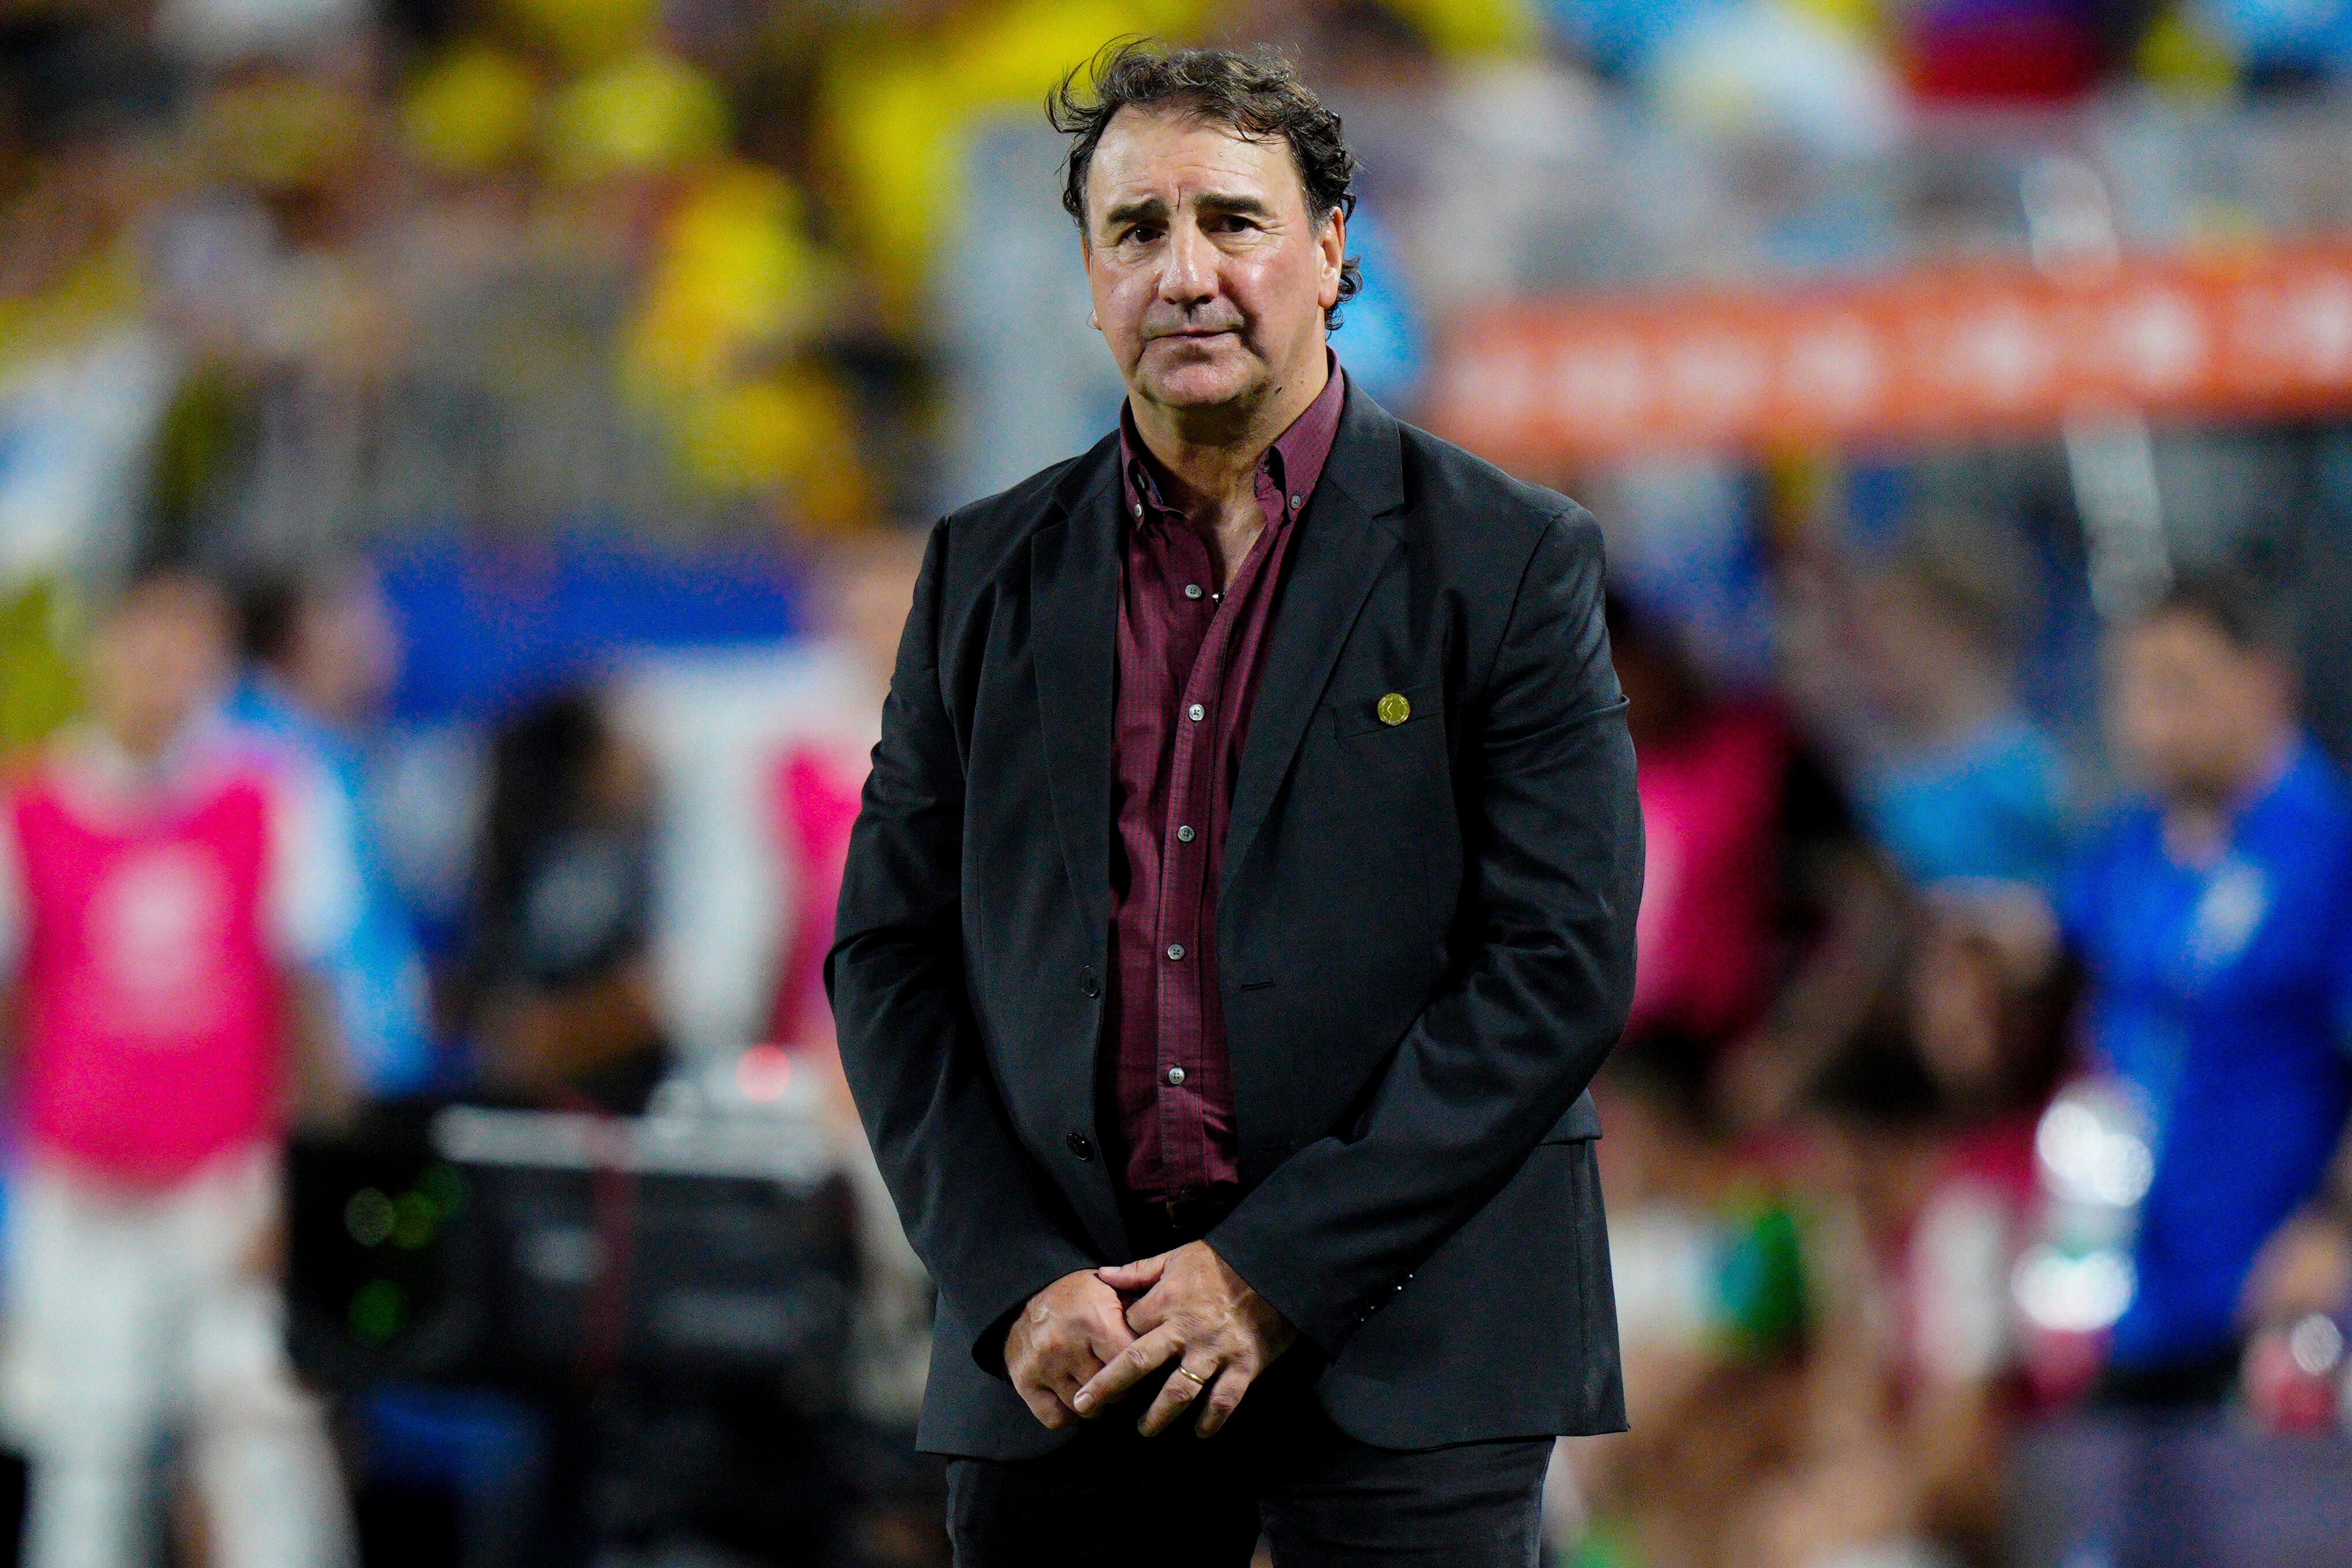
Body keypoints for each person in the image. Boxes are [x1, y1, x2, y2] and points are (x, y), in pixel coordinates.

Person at [827, 42, 1643, 1566]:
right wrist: (1009, 1278)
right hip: (1073, 1355)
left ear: (1329, 253)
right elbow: (888, 956)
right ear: (1089, 280)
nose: (1185, 273)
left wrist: (1269, 1267)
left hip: (1413, 1345)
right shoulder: (981, 573)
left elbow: (1557, 963)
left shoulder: (1507, 560)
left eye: (1232, 222)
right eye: (1136, 230)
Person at [0, 567, 360, 1568]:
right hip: (84, 1194)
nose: (164, 666)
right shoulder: (30, 809)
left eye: (189, 641)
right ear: (103, 647)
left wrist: (307, 1182)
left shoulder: (272, 796)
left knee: (267, 1455)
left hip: (227, 1188)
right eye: (146, 637)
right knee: (89, 1463)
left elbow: (310, 1004)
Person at [2054, 572, 2352, 1404]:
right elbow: (2055, 991)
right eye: (2131, 688)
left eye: (2178, 685)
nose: (2150, 718)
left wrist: (2335, 1228)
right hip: (2128, 1294)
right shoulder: (2124, 851)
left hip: (2274, 1305)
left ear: (2265, 683)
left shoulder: (2327, 849)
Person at [230, 561, 438, 1098]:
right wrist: (328, 1091)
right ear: (299, 632)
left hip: (369, 1072)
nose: (385, 634)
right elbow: (291, 948)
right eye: (357, 615)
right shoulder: (258, 759)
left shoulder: (337, 750)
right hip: (319, 1086)